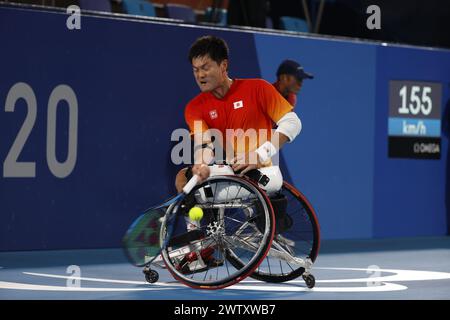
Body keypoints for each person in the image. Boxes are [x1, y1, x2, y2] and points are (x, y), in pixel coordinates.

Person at [175, 35, 302, 192]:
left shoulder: (258, 88)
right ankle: (198, 217)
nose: (200, 75)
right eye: (196, 70)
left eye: (205, 68)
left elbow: (292, 122)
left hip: (262, 174)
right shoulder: (194, 107)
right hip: (231, 172)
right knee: (184, 177)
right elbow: (205, 144)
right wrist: (201, 165)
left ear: (223, 65)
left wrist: (260, 154)